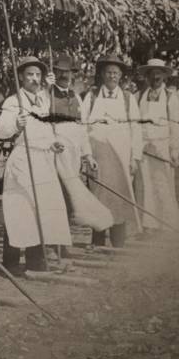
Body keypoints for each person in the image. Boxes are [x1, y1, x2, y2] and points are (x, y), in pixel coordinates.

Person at [0, 56, 71, 272]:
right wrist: (16, 125)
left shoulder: (44, 101)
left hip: (43, 160)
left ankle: (35, 262)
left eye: (37, 75)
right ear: (21, 77)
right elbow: (0, 132)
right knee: (19, 209)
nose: (34, 79)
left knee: (41, 211)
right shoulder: (13, 101)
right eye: (29, 74)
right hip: (23, 160)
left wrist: (53, 143)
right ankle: (10, 263)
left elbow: (45, 130)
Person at [45, 55, 112, 238]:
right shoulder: (46, 95)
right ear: (54, 73)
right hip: (54, 156)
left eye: (67, 72)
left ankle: (63, 241)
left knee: (69, 199)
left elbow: (82, 130)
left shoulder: (76, 97)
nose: (64, 75)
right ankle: (53, 243)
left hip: (73, 156)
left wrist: (87, 155)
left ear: (72, 74)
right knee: (55, 198)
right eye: (60, 72)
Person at [80, 55, 143, 248]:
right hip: (97, 161)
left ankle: (118, 244)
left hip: (121, 161)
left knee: (119, 199)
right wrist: (87, 155)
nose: (112, 76)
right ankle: (97, 243)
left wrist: (135, 157)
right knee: (98, 199)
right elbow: (82, 127)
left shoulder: (127, 98)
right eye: (108, 72)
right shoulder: (90, 97)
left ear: (121, 75)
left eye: (116, 73)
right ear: (102, 74)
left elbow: (136, 129)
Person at [135, 58, 179, 232]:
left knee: (164, 186)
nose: (155, 76)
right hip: (144, 149)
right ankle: (148, 226)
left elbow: (174, 126)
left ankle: (168, 226)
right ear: (147, 76)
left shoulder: (171, 98)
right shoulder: (138, 96)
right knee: (145, 186)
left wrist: (174, 152)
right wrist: (139, 146)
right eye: (152, 73)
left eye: (158, 73)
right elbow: (135, 124)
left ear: (164, 76)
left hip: (163, 150)